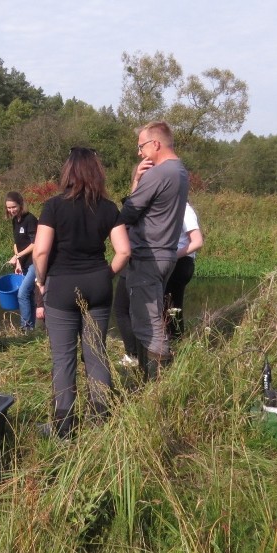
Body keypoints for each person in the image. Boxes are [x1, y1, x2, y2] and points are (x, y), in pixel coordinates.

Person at [33, 147, 130, 439]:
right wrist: (106, 275)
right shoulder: (109, 207)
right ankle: (101, 423)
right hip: (98, 285)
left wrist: (41, 280)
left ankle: (64, 428)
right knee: (96, 354)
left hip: (61, 287)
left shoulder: (53, 206)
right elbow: (124, 251)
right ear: (96, 173)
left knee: (64, 358)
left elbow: (40, 251)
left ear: (68, 172)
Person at [117, 121, 189, 380]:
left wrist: (137, 179)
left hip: (148, 256)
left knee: (148, 326)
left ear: (156, 144)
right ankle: (153, 379)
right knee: (152, 319)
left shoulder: (158, 174)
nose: (139, 153)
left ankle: (159, 387)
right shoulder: (180, 170)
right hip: (166, 253)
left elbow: (128, 212)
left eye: (141, 146)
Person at [164, 201, 204, 340]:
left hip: (181, 262)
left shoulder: (185, 210)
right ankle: (172, 342)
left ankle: (174, 342)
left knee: (171, 306)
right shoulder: (174, 207)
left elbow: (197, 242)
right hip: (175, 261)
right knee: (170, 306)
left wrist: (173, 256)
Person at [5, 191, 38, 332]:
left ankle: (25, 328)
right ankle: (31, 330)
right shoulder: (15, 220)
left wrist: (18, 256)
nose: (11, 210)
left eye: (14, 207)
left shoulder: (30, 219)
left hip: (35, 263)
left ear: (21, 204)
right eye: (8, 208)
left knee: (22, 293)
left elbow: (35, 244)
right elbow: (16, 243)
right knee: (29, 295)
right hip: (23, 263)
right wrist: (18, 261)